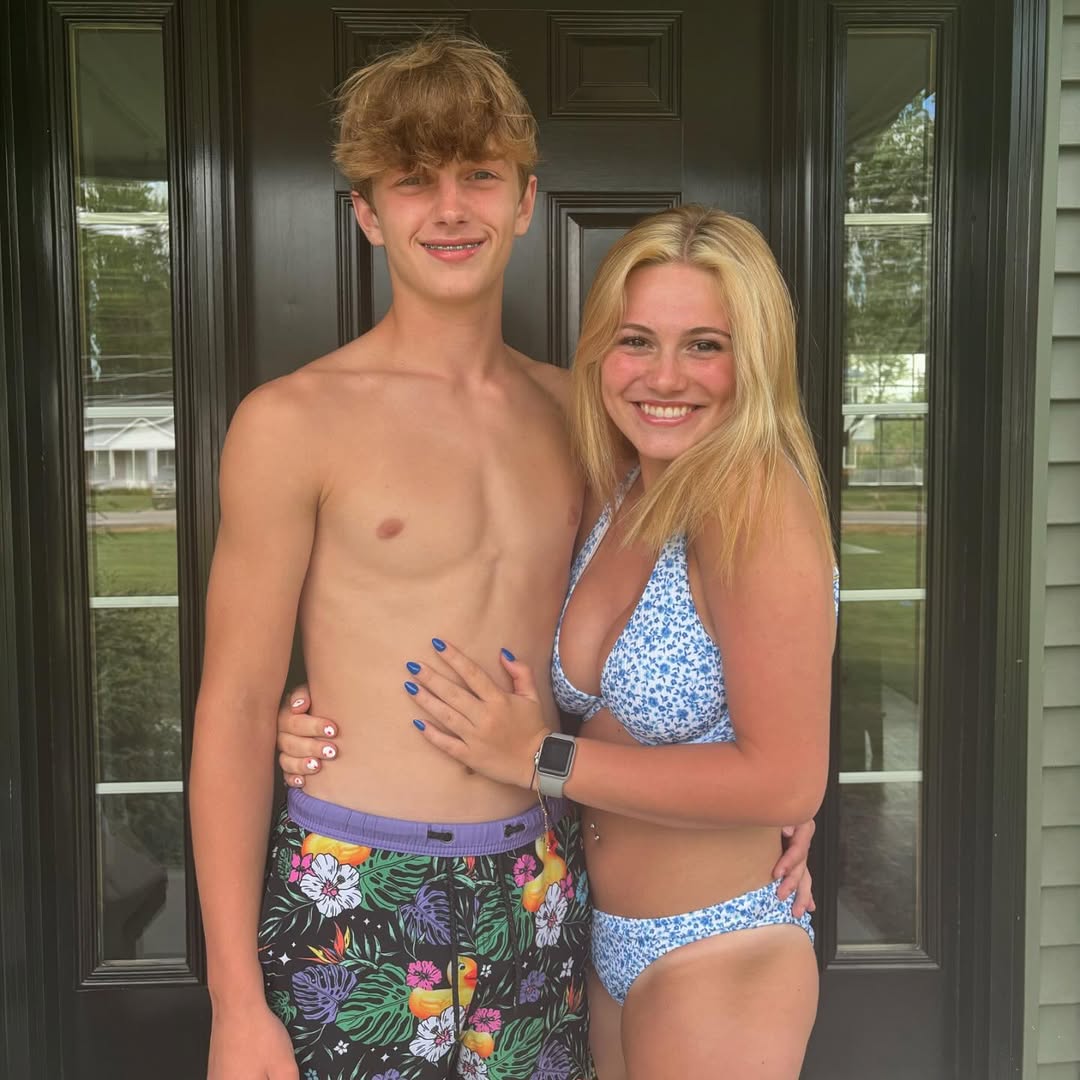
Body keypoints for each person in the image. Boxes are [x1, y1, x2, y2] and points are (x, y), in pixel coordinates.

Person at [192, 31, 814, 1080]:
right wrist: (233, 1003)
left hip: (540, 884)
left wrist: (781, 801)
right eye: (413, 179)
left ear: (525, 201)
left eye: (478, 175)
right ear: (367, 212)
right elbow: (235, 706)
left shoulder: (589, 421)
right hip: (351, 877)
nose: (450, 208)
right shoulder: (291, 422)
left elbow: (679, 624)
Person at [280, 206, 835, 1079]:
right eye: (637, 341)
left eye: (705, 345)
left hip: (719, 948)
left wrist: (541, 759)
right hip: (593, 938)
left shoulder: (755, 503)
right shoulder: (624, 485)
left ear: (755, 358)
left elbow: (787, 777)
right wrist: (331, 713)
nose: (664, 376)